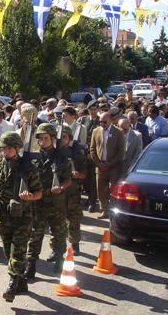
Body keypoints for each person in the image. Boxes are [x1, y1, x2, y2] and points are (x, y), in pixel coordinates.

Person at [0, 132, 42, 300]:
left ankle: (12, 285)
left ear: (17, 149)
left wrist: (30, 197)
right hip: (3, 216)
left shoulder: (28, 168)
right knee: (8, 251)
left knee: (17, 252)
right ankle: (22, 280)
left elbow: (39, 192)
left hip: (22, 216)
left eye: (9, 148)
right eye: (4, 148)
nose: (6, 151)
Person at [25, 123, 72, 278]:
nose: (43, 141)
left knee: (59, 233)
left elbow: (69, 179)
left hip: (56, 202)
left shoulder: (61, 157)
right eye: (40, 138)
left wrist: (61, 187)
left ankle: (59, 259)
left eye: (46, 138)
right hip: (37, 203)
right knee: (35, 235)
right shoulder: (32, 158)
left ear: (53, 138)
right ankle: (31, 264)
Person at [90, 112, 126, 219]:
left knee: (113, 189)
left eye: (104, 122)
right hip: (100, 166)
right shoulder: (96, 131)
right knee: (100, 189)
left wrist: (110, 163)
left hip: (113, 167)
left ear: (110, 120)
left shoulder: (119, 132)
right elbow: (92, 149)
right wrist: (98, 163)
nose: (102, 123)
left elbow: (121, 151)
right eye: (100, 121)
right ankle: (104, 210)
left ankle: (114, 210)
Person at [61, 125, 87, 254]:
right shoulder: (55, 152)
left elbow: (85, 173)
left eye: (64, 137)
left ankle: (75, 244)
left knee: (73, 218)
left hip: (73, 191)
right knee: (58, 220)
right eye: (60, 137)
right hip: (58, 191)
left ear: (69, 138)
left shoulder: (77, 153)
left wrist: (77, 174)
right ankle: (57, 248)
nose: (62, 139)